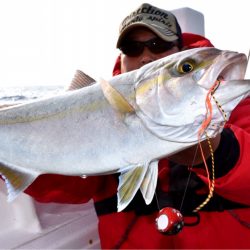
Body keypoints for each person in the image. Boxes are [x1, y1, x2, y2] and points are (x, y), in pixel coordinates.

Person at [25, 3, 250, 249]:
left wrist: (220, 150)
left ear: (180, 49)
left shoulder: (232, 105)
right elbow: (66, 186)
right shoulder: (98, 110)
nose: (145, 56)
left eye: (159, 45)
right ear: (120, 60)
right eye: (131, 48)